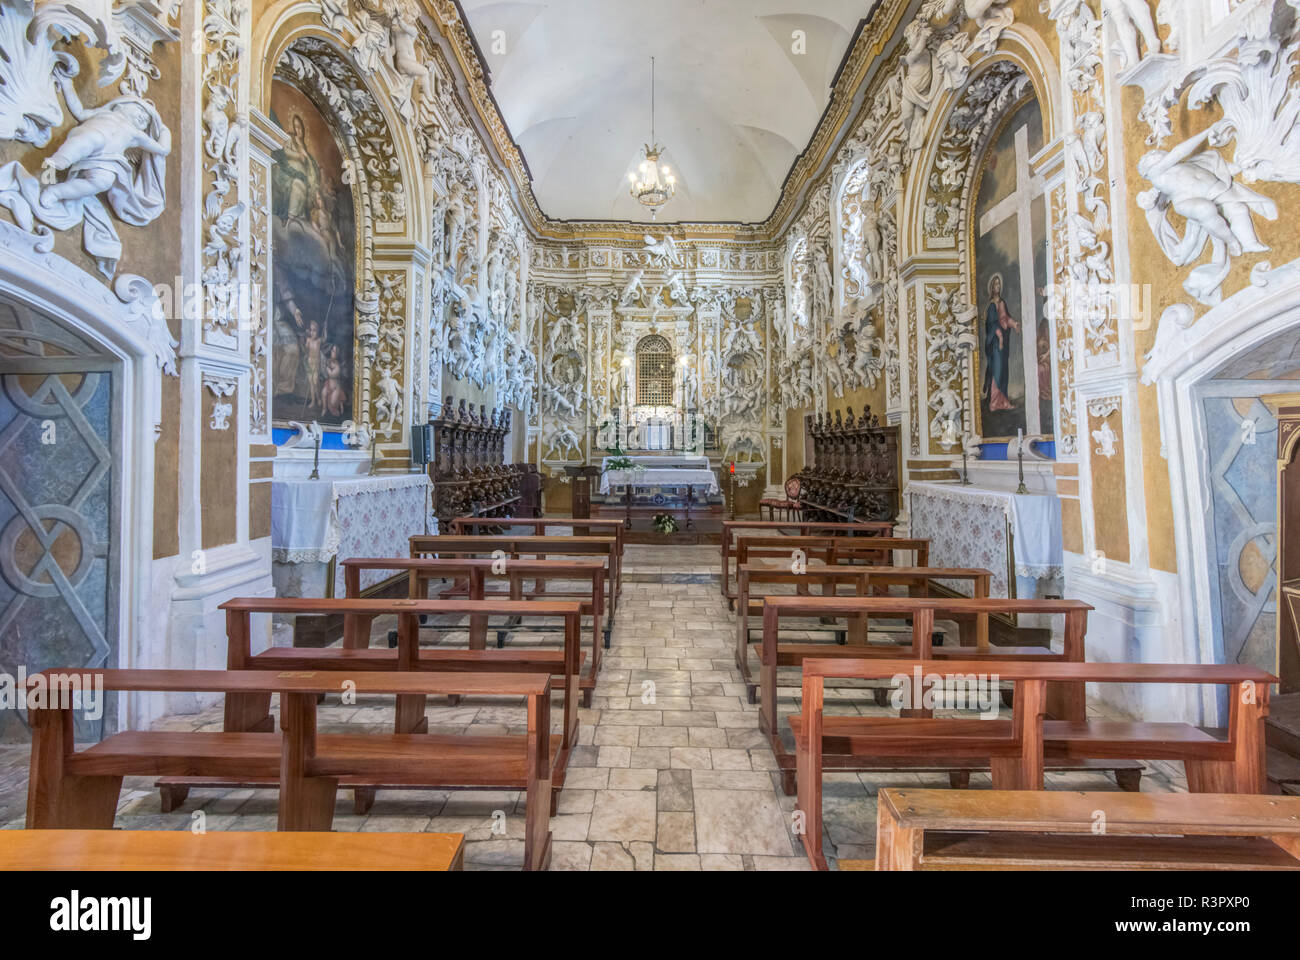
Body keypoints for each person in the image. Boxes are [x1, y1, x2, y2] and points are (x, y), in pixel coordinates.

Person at [983, 273, 1020, 413]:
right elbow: (992, 325)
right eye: (995, 284)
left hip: (1003, 345)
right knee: (997, 371)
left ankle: (1003, 401)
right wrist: (999, 337)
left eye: (999, 284)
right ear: (992, 287)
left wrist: (1014, 324)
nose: (997, 287)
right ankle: (994, 402)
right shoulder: (992, 306)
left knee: (1004, 371)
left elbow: (1005, 318)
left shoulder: (1002, 303)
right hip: (995, 345)